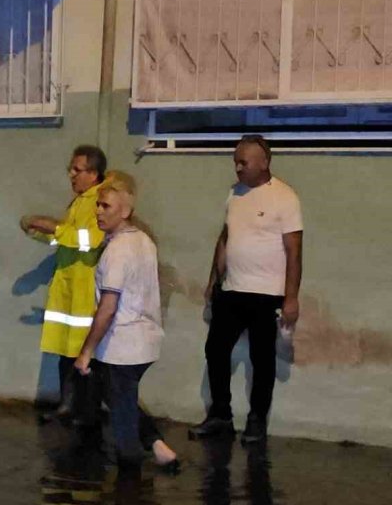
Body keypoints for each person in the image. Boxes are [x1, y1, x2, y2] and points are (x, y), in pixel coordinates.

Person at [190, 135, 303, 445]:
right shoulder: (235, 193)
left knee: (262, 357)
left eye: (244, 162)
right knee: (215, 349)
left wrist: (291, 297)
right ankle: (220, 416)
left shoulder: (285, 197)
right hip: (232, 289)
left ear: (264, 162)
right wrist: (215, 279)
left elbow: (294, 251)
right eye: (236, 162)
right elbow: (226, 237)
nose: (238, 168)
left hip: (267, 294)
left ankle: (256, 420)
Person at [73, 172, 179, 470]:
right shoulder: (144, 241)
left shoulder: (117, 250)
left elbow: (108, 306)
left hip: (123, 345)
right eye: (98, 205)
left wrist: (86, 351)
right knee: (117, 396)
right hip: (145, 341)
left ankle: (128, 493)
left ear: (126, 211)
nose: (98, 211)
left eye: (106, 206)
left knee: (123, 428)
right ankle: (157, 445)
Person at [22, 145, 108, 425]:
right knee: (65, 352)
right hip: (69, 288)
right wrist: (40, 233)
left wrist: (52, 227)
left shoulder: (100, 201)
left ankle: (85, 412)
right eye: (70, 169)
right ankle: (68, 406)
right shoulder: (80, 201)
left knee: (84, 355)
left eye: (77, 170)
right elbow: (67, 240)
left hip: (84, 290)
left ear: (93, 174)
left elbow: (89, 240)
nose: (71, 175)